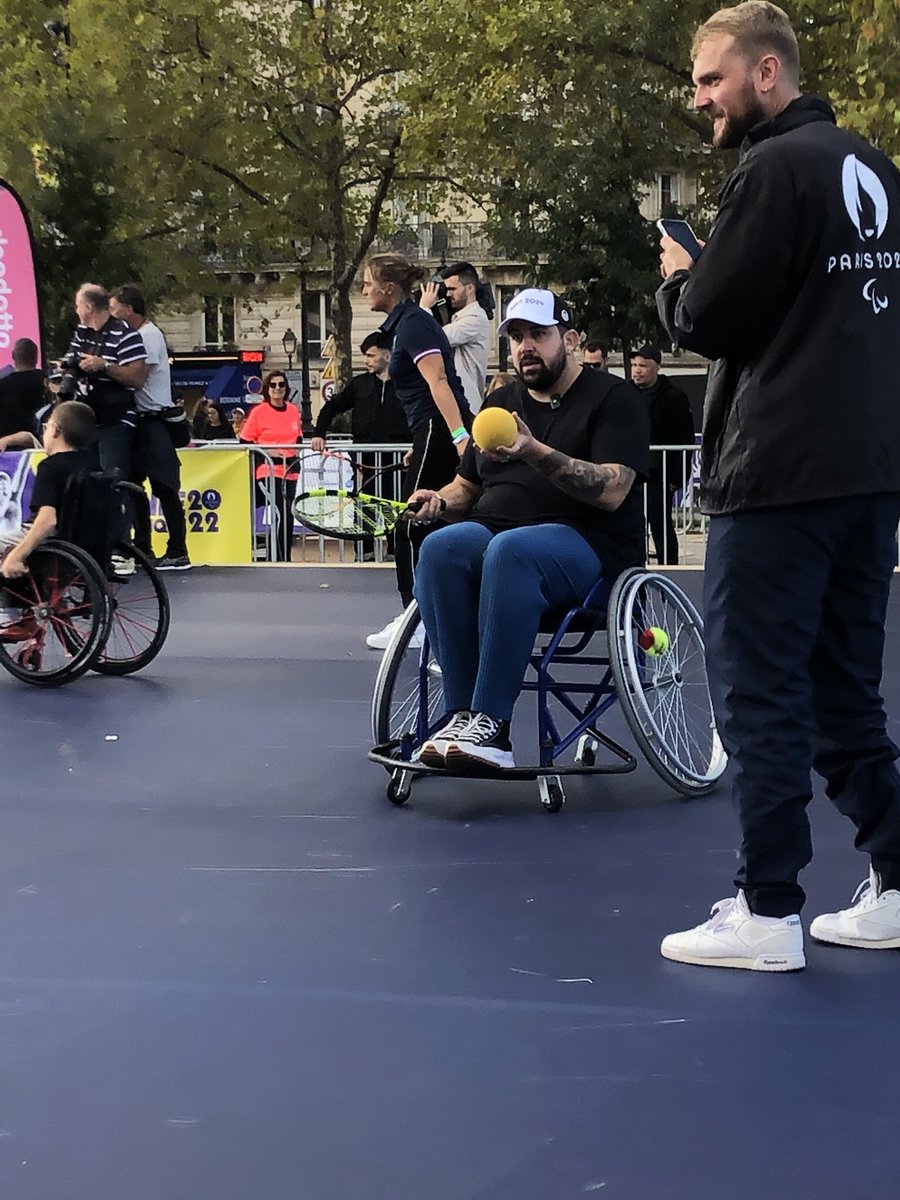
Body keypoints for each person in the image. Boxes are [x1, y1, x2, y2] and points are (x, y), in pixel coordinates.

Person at [656, 0, 900, 972]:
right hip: (869, 475)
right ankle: (898, 878)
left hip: (780, 475)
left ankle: (767, 909)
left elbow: (713, 317)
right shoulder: (873, 166)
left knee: (758, 690)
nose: (701, 100)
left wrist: (678, 276)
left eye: (712, 79)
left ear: (768, 73)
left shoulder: (771, 168)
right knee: (845, 689)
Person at [406, 288, 648, 770]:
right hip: (495, 530)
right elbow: (466, 486)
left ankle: (493, 725)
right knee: (442, 547)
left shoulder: (613, 399)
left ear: (571, 339)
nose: (525, 347)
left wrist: (533, 451)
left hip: (585, 543)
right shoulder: (500, 401)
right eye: (517, 337)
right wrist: (438, 499)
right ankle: (462, 716)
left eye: (538, 334)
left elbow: (613, 490)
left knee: (511, 551)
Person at [362, 253, 473, 649]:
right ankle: (427, 616)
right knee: (433, 524)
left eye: (368, 282)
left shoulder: (412, 325)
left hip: (439, 428)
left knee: (411, 523)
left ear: (388, 287)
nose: (363, 289)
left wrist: (459, 437)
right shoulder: (405, 325)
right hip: (430, 432)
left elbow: (439, 382)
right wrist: (420, 446)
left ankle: (418, 618)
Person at [110, 286, 191, 571]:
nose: (112, 314)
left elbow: (137, 377)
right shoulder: (140, 335)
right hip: (141, 420)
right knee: (135, 486)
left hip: (152, 419)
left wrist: (108, 368)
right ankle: (142, 546)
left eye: (114, 308)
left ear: (128, 309)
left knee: (165, 487)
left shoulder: (148, 336)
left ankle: (177, 550)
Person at [0, 401, 97, 613]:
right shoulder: (93, 462)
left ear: (55, 431)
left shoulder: (50, 467)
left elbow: (47, 521)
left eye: (46, 427)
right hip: (86, 541)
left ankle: (15, 613)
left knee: (9, 547)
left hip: (55, 538)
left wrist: (17, 555)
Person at [65, 283, 147, 478]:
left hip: (115, 421)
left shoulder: (125, 335)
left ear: (88, 308)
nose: (76, 311)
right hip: (86, 420)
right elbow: (69, 361)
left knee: (112, 481)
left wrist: (105, 366)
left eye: (78, 305)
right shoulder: (82, 332)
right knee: (84, 481)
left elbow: (137, 378)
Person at [629, 343, 695, 565]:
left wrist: (678, 477)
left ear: (656, 367)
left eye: (643, 366)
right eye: (634, 365)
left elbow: (684, 438)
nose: (637, 370)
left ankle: (669, 569)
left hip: (659, 473)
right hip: (630, 470)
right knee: (632, 524)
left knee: (660, 524)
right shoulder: (624, 393)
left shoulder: (674, 397)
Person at [239, 370, 302, 562]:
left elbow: (298, 437)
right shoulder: (259, 412)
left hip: (289, 470)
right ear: (267, 389)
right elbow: (245, 441)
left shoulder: (292, 410)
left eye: (281, 384)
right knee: (279, 510)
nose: (277, 389)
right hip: (267, 469)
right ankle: (276, 555)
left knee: (287, 513)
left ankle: (283, 556)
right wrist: (270, 453)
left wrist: (295, 454)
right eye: (273, 385)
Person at [418, 261, 491, 417]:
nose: (448, 294)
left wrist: (425, 307)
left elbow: (433, 338)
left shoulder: (475, 318)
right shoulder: (457, 318)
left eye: (452, 289)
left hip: (467, 406)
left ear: (470, 288)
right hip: (456, 405)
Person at [0, 338, 46, 440]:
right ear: (36, 358)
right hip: (42, 442)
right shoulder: (48, 383)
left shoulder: (3, 386)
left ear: (13, 356)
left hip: (10, 447)